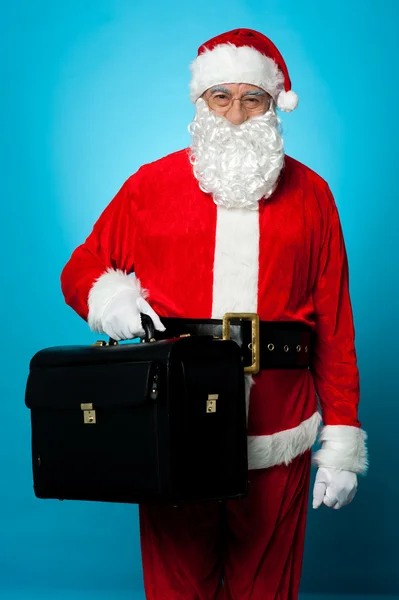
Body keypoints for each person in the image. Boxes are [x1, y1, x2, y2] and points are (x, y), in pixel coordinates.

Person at [60, 28, 368, 600]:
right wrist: (112, 301)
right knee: (179, 587)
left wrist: (342, 438)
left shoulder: (314, 195)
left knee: (267, 589)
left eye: (253, 98)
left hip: (281, 427)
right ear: (199, 102)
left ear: (274, 106)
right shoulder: (149, 187)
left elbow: (335, 324)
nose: (235, 113)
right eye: (220, 96)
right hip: (176, 420)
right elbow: (81, 268)